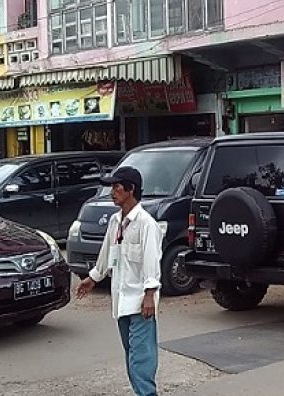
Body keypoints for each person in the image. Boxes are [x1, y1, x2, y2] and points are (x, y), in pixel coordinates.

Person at [76, 167, 163, 396]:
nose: (112, 192)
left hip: (140, 303)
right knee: (130, 358)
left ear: (131, 189)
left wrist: (149, 296)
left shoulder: (146, 224)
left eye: (116, 187)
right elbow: (107, 254)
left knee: (141, 360)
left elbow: (152, 264)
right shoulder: (115, 221)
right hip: (121, 301)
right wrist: (93, 278)